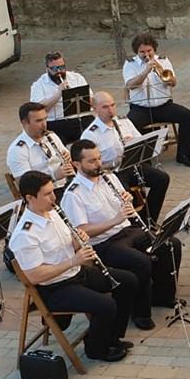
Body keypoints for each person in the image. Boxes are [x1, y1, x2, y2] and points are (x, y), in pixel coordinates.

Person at [10, 171, 139, 363]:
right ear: (30, 198)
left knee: (128, 281)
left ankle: (112, 337)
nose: (54, 198)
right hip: (54, 288)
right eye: (47, 194)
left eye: (53, 191)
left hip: (76, 272)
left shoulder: (53, 213)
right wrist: (73, 261)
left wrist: (79, 241)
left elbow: (67, 245)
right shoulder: (25, 235)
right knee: (106, 305)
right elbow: (35, 276)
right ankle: (97, 349)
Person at [60, 140, 159, 330]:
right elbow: (82, 232)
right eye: (92, 161)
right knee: (141, 261)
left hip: (127, 231)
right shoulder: (73, 195)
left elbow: (123, 200)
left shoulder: (109, 178)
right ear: (76, 165)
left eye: (99, 158)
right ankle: (140, 313)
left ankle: (162, 295)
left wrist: (128, 198)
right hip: (103, 244)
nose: (98, 164)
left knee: (167, 243)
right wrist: (114, 220)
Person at [82, 91, 172, 223]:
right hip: (112, 172)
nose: (111, 110)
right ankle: (134, 224)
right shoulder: (91, 134)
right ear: (95, 109)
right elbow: (89, 167)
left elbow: (143, 142)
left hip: (133, 165)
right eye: (105, 107)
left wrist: (133, 144)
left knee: (162, 178)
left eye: (112, 105)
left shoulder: (124, 122)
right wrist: (115, 161)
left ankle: (150, 220)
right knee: (127, 195)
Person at [122, 31, 190, 167]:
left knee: (187, 116)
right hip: (141, 108)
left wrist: (165, 75)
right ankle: (143, 160)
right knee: (129, 126)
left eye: (149, 50)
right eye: (142, 52)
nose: (146, 54)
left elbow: (173, 82)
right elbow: (131, 86)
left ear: (154, 49)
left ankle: (184, 155)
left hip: (163, 106)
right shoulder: (130, 64)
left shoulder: (163, 60)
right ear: (136, 52)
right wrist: (145, 71)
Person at [6, 102, 75, 189]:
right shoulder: (17, 150)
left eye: (45, 119)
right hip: (43, 195)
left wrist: (68, 157)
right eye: (38, 121)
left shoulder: (51, 136)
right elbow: (25, 185)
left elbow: (69, 159)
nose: (44, 125)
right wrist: (53, 176)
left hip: (66, 186)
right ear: (24, 123)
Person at [28, 51, 89, 144]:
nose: (59, 71)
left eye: (61, 67)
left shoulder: (77, 78)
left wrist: (74, 93)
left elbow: (90, 100)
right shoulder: (38, 85)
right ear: (47, 69)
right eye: (54, 68)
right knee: (58, 145)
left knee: (93, 136)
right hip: (56, 123)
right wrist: (58, 94)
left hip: (78, 118)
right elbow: (38, 110)